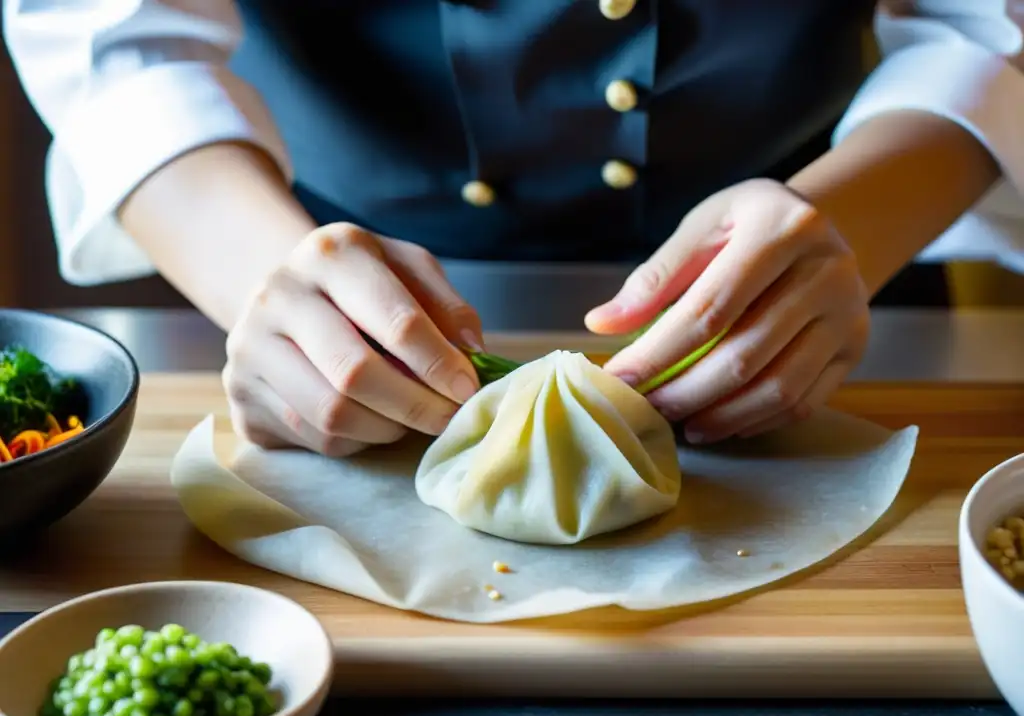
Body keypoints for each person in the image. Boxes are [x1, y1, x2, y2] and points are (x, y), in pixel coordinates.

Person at [4, 1, 1023, 455]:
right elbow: (118, 34)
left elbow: (985, 22)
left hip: (826, 306)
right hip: (319, 279)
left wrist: (846, 224)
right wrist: (262, 279)